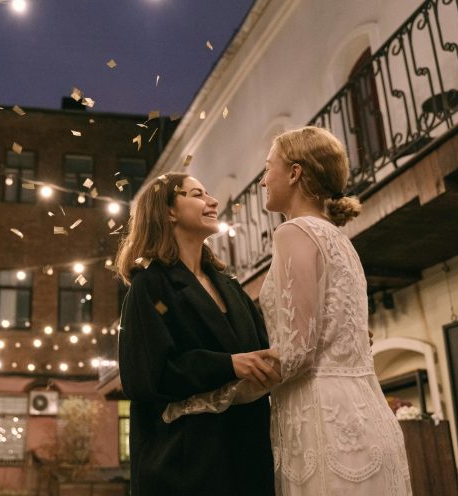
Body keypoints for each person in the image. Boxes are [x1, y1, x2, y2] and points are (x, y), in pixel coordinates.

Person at [165, 127, 412, 495]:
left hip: (320, 420)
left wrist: (206, 400)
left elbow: (296, 354)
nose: (263, 181)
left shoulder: (293, 232)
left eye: (268, 169)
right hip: (366, 409)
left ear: (295, 173)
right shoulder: (341, 241)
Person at [115, 172, 281, 496]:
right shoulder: (149, 286)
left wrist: (330, 336)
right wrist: (227, 365)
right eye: (196, 194)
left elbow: (266, 349)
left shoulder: (230, 286)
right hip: (187, 467)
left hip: (247, 459)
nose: (213, 201)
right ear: (169, 212)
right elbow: (145, 377)